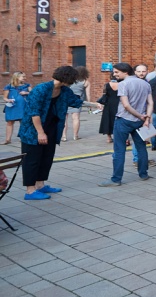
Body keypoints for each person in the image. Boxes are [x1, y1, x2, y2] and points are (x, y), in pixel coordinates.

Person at [19, 66, 100, 199]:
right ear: (66, 78)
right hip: (33, 130)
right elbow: (34, 113)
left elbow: (76, 101)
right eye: (73, 79)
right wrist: (40, 132)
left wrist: (94, 104)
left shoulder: (64, 90)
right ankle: (30, 190)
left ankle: (40, 185)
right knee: (32, 160)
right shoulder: (41, 89)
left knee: (46, 158)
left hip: (51, 128)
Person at [100, 63, 154, 187]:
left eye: (117, 72)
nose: (115, 74)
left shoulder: (123, 84)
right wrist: (146, 118)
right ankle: (143, 174)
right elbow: (150, 102)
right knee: (141, 148)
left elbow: (126, 105)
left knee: (119, 150)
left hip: (124, 119)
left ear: (125, 72)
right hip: (140, 121)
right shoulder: (145, 84)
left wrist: (139, 115)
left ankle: (116, 179)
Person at [62, 67, 91, 142]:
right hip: (77, 101)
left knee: (64, 119)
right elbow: (88, 95)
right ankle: (75, 136)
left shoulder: (70, 80)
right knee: (76, 118)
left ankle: (64, 136)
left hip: (66, 100)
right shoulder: (86, 82)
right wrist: (89, 104)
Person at [4, 72, 31, 145]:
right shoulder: (9, 87)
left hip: (23, 106)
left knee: (23, 122)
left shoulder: (27, 85)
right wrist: (8, 100)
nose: (25, 78)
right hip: (12, 106)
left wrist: (26, 93)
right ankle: (7, 139)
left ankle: (23, 138)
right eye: (23, 77)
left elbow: (33, 93)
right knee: (10, 122)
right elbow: (5, 98)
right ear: (16, 77)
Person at [97, 74, 119, 143]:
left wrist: (99, 102)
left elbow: (104, 95)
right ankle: (118, 136)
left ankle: (108, 138)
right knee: (118, 120)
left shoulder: (107, 85)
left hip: (109, 104)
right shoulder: (122, 84)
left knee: (108, 120)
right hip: (119, 104)